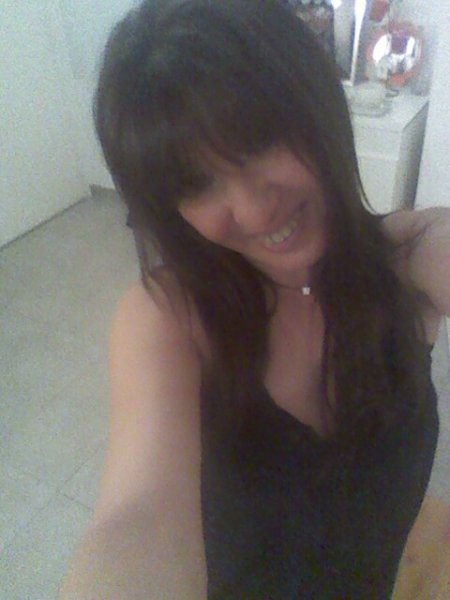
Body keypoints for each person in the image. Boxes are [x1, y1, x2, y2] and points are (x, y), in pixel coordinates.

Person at [59, 1, 450, 598]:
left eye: (258, 140)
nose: (252, 209)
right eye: (195, 182)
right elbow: (136, 519)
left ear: (313, 104)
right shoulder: (167, 319)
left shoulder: (409, 258)